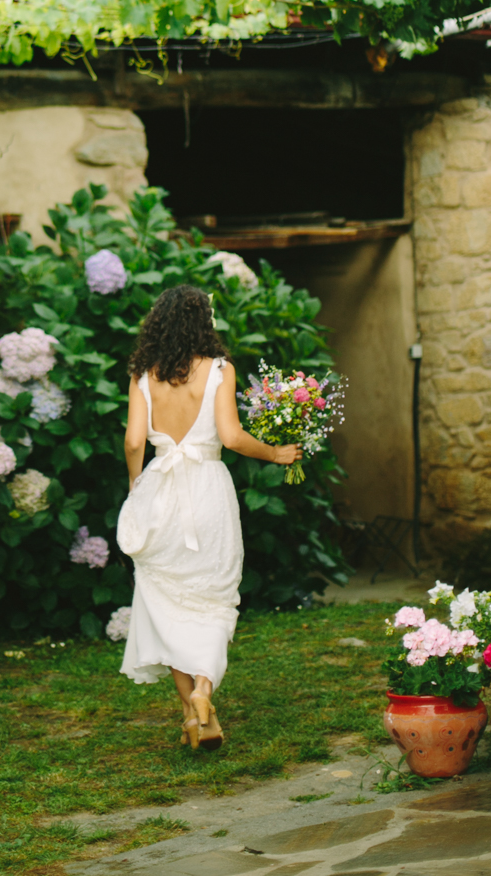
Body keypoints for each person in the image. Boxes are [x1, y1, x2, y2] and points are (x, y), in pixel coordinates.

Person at [117, 284, 302, 751]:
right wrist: (276, 454)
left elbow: (134, 440)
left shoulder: (143, 374)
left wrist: (136, 486)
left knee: (166, 602)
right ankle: (203, 695)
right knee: (214, 602)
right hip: (208, 492)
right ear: (204, 322)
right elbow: (232, 436)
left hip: (160, 490)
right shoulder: (220, 370)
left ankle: (196, 718)